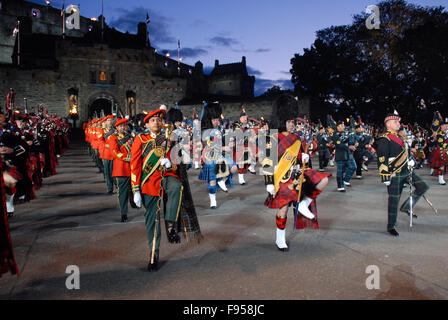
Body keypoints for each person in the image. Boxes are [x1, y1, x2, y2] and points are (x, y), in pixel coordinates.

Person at [263, 94, 330, 251]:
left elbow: (300, 159)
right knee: (283, 209)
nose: (292, 124)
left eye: (293, 121)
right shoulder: (270, 137)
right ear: (281, 120)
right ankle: (280, 238)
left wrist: (305, 157)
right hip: (282, 178)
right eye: (289, 121)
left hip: (297, 175)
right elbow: (267, 161)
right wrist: (269, 183)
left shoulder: (297, 138)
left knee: (323, 180)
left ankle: (304, 204)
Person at [130, 107, 182, 271]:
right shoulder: (141, 139)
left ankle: (170, 221)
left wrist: (169, 163)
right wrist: (136, 190)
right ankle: (154, 252)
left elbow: (175, 162)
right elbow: (135, 164)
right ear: (147, 124)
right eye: (153, 120)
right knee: (152, 220)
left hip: (165, 177)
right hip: (148, 182)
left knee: (176, 186)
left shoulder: (166, 139)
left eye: (159, 120)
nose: (157, 123)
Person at [376, 111, 430, 237]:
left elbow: (406, 153)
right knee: (394, 201)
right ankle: (391, 226)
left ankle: (406, 207)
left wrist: (411, 161)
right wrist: (385, 176)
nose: (398, 123)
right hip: (394, 174)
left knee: (423, 186)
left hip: (406, 171)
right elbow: (382, 158)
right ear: (388, 124)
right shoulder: (385, 139)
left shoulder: (400, 137)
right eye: (396, 122)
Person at [108, 118, 134, 222]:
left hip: (132, 169)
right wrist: (130, 157)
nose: (124, 127)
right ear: (117, 128)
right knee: (122, 193)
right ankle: (124, 213)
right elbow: (115, 153)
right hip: (121, 169)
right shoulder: (113, 138)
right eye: (121, 126)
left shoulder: (130, 137)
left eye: (125, 125)